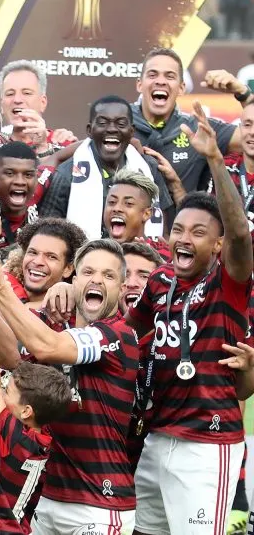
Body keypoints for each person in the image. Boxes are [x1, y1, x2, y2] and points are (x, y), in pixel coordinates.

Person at [128, 103, 254, 535]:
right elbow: (127, 333)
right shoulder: (160, 281)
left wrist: (215, 160)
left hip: (206, 443)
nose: (184, 238)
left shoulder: (228, 282)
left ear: (218, 246)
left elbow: (240, 233)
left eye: (199, 233)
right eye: (178, 229)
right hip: (157, 435)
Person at [0, 240, 140, 535]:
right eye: (88, 272)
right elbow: (15, 359)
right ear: (73, 279)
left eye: (109, 275)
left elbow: (46, 346)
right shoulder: (52, 324)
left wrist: (0, 287)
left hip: (99, 503)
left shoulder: (117, 336)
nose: (97, 280)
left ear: (121, 286)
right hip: (46, 499)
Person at [0, 286, 72, 534]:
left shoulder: (18, 439)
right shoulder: (33, 439)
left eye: (7, 393)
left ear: (26, 411)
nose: (1, 394)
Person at [38, 95, 173, 239]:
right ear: (90, 130)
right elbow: (47, 234)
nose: (112, 129)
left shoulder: (148, 167)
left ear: (131, 131)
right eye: (103, 123)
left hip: (140, 257)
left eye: (121, 124)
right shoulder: (68, 173)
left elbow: (163, 229)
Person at [131, 49, 243, 193]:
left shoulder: (199, 129)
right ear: (139, 84)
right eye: (152, 75)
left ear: (181, 88)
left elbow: (250, 138)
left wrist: (243, 93)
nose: (160, 81)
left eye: (170, 76)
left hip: (183, 214)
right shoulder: (117, 125)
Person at [0, 60, 77, 170]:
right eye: (10, 94)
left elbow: (59, 186)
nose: (17, 100)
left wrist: (43, 147)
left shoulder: (65, 145)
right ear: (2, 105)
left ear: (42, 102)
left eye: (26, 93)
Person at [12, 219, 88, 310]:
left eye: (51, 257)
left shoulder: (78, 315)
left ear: (68, 269)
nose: (38, 262)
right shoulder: (1, 285)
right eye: (33, 252)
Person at [0, 141, 46, 256]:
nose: (20, 182)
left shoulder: (39, 190)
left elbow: (57, 158)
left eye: (28, 175)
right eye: (10, 173)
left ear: (36, 178)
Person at [101, 170, 170, 260]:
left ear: (147, 213)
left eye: (128, 203)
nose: (117, 208)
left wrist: (157, 263)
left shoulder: (164, 256)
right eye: (112, 202)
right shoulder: (95, 255)